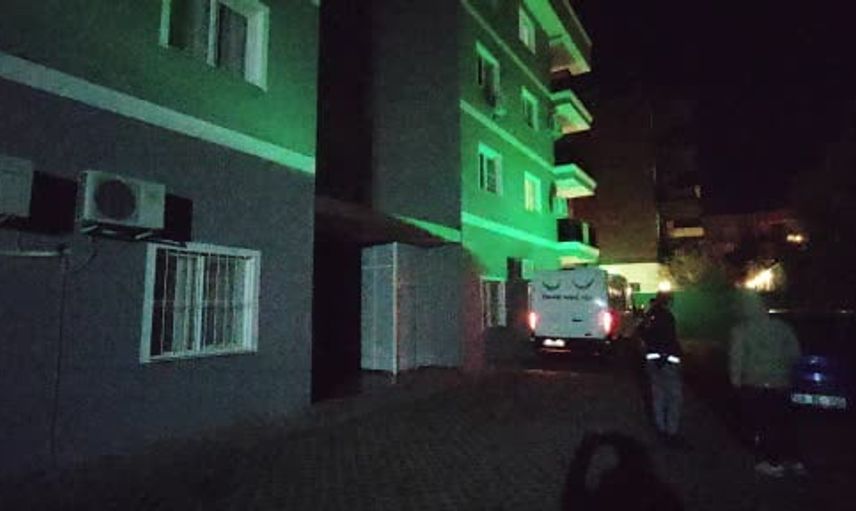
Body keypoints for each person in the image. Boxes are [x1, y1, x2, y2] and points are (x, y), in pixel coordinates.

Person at [729, 293, 805, 477]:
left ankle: (771, 462)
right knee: (784, 422)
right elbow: (795, 354)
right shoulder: (783, 328)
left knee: (762, 423)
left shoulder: (742, 330)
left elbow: (736, 357)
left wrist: (735, 381)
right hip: (781, 383)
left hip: (755, 383)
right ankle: (794, 460)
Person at [639, 292, 684, 445]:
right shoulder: (667, 316)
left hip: (653, 360)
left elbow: (642, 332)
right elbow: (670, 339)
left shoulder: (650, 315)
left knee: (658, 396)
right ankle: (671, 431)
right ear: (668, 301)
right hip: (668, 361)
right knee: (674, 398)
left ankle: (660, 428)